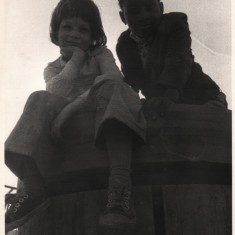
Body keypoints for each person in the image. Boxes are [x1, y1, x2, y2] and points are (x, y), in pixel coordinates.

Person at [5, 0, 146, 231]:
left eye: (83, 29)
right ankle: (32, 187)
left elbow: (113, 79)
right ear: (56, 31)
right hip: (66, 132)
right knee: (38, 97)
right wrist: (76, 59)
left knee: (112, 88)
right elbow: (56, 92)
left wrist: (72, 107)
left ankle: (120, 190)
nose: (74, 34)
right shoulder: (52, 67)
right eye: (67, 27)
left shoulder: (100, 54)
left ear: (93, 36)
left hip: (106, 119)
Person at [116, 0, 227, 119]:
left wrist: (168, 98)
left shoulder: (174, 24)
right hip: (163, 106)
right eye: (134, 11)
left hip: (203, 98)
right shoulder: (124, 44)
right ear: (123, 17)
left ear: (161, 8)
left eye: (149, 8)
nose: (143, 16)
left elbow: (179, 61)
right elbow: (131, 79)